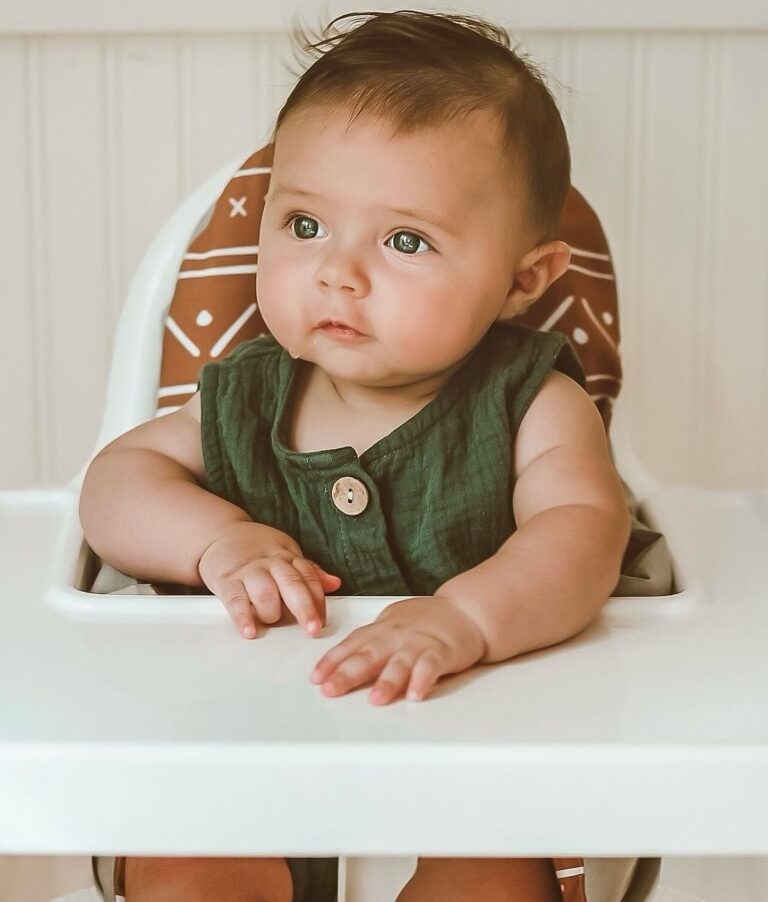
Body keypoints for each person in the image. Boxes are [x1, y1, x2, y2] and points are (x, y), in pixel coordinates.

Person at [80, 10, 660, 902]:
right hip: (237, 730)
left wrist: (466, 618)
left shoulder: (532, 401)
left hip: (474, 731)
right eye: (305, 225)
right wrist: (214, 540)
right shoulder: (245, 395)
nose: (337, 273)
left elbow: (585, 529)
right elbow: (116, 484)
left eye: (405, 241)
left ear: (523, 280)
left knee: (496, 877)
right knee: (192, 865)